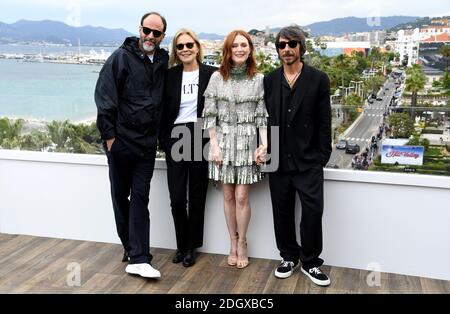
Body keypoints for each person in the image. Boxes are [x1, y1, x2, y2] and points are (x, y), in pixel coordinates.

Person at [95, 12, 168, 279]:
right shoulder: (120, 57)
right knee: (119, 197)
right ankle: (130, 247)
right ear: (140, 29)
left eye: (156, 33)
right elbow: (104, 97)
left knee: (140, 198)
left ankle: (140, 257)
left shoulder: (162, 59)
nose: (150, 36)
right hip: (121, 143)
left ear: (162, 37)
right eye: (146, 30)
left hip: (146, 147)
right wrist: (111, 138)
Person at [264, 25, 331, 286]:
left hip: (309, 160)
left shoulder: (318, 79)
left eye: (292, 44)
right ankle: (289, 256)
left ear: (301, 47)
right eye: (282, 45)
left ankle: (311, 262)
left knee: (313, 212)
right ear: (278, 49)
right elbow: (265, 120)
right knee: (281, 211)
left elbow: (325, 122)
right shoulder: (269, 80)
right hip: (278, 159)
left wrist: (321, 156)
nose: (287, 49)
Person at [202, 30, 268, 269]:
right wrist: (214, 146)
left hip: (247, 143)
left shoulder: (259, 79)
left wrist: (265, 145)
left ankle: (243, 242)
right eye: (235, 46)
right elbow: (209, 115)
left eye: (244, 45)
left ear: (250, 49)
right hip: (223, 143)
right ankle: (232, 241)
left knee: (242, 196)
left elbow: (261, 115)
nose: (239, 49)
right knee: (228, 195)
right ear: (228, 51)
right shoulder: (217, 78)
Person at [159, 28, 217, 267]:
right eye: (180, 46)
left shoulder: (211, 74)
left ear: (197, 47)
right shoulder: (169, 76)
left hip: (201, 134)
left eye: (189, 45)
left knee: (197, 195)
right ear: (176, 51)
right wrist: (164, 139)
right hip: (176, 135)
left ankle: (191, 247)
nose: (185, 50)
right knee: (176, 198)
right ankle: (181, 244)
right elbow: (161, 109)